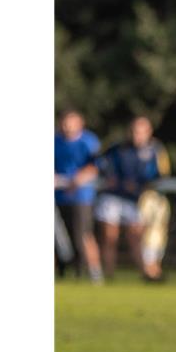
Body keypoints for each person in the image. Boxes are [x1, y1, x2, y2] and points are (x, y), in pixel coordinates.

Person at [95, 116, 170, 281]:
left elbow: (159, 175)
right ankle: (108, 275)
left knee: (136, 237)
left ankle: (147, 273)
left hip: (135, 200)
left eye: (142, 131)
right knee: (109, 237)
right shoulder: (117, 149)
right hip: (113, 197)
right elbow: (102, 164)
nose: (138, 135)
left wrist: (140, 185)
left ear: (149, 132)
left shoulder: (155, 151)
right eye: (135, 131)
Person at [55, 109, 104, 283]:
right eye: (65, 122)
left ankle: (95, 273)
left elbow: (95, 166)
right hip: (58, 196)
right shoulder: (55, 141)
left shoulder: (88, 141)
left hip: (81, 196)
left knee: (83, 235)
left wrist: (76, 181)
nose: (67, 126)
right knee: (58, 239)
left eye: (72, 122)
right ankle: (62, 273)